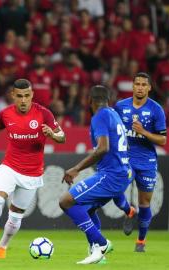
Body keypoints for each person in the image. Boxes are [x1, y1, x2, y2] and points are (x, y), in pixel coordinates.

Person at [0, 79, 65, 259]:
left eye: (27, 96)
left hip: (32, 173)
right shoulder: (5, 114)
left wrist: (52, 135)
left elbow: (62, 137)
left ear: (32, 95)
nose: (23, 100)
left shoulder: (44, 114)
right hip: (10, 167)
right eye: (19, 96)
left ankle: (2, 246)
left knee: (16, 215)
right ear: (13, 95)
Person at [59, 85, 132, 264]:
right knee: (88, 209)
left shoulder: (100, 116)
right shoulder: (114, 115)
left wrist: (76, 169)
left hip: (111, 175)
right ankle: (98, 255)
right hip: (121, 173)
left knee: (66, 202)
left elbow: (103, 148)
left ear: (89, 100)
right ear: (108, 100)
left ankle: (102, 243)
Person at [114, 72, 167, 252]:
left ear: (149, 87)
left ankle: (141, 242)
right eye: (137, 84)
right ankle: (129, 211)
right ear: (133, 85)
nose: (140, 87)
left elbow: (163, 140)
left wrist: (144, 132)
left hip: (146, 162)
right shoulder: (120, 107)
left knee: (144, 203)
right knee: (114, 189)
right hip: (125, 159)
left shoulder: (156, 110)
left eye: (144, 84)